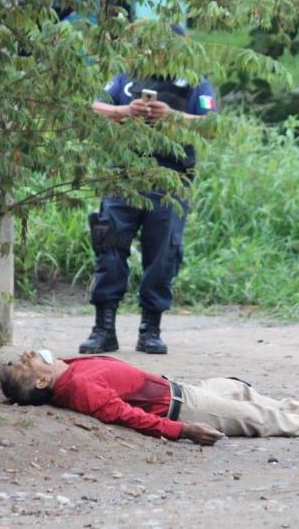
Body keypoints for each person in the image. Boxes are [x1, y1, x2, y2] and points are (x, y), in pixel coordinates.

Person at [80, 25, 217, 356]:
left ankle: (150, 331)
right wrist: (124, 112)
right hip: (122, 177)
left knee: (163, 257)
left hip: (171, 181)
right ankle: (104, 330)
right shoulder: (125, 77)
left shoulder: (195, 80)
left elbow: (212, 124)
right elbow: (91, 106)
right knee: (109, 248)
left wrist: (173, 117)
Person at [0, 350, 299, 446]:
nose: (28, 355)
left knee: (243, 391)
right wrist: (181, 430)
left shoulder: (67, 367)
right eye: (24, 365)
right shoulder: (78, 389)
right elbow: (123, 415)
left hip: (183, 386)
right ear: (41, 383)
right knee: (264, 418)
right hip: (185, 407)